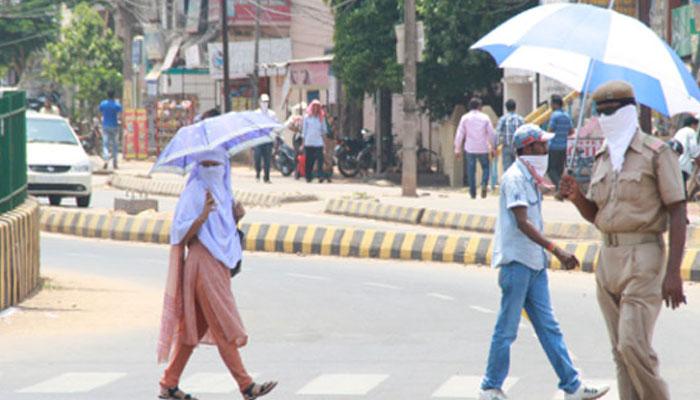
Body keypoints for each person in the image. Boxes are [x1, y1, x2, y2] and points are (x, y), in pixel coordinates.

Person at [560, 81, 687, 400]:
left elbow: (677, 211)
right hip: (608, 258)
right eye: (600, 112)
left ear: (629, 110)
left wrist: (674, 272)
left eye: (612, 111)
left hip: (644, 257)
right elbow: (597, 213)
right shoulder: (603, 157)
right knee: (620, 352)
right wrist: (576, 197)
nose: (606, 117)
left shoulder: (657, 153)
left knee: (633, 344)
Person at [479, 123, 608, 400]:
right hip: (517, 263)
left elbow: (549, 194)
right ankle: (490, 386)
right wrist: (556, 250)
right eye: (541, 145)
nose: (546, 149)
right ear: (528, 148)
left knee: (549, 326)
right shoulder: (515, 178)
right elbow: (522, 222)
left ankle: (572, 385)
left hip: (534, 264)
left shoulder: (531, 176)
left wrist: (569, 190)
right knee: (507, 328)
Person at [157, 147, 277, 400]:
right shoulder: (194, 192)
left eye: (217, 165)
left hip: (219, 264)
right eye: (207, 165)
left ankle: (168, 384)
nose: (212, 170)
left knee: (195, 328)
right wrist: (201, 216)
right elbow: (179, 234)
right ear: (199, 166)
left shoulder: (224, 192)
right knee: (223, 326)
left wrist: (235, 216)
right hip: (202, 263)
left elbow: (223, 232)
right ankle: (246, 385)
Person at [454, 97, 497, 199]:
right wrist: (494, 146)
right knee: (486, 168)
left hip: (470, 148)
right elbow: (491, 133)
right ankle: (484, 185)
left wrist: (457, 149)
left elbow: (460, 133)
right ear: (479, 107)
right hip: (483, 148)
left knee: (471, 170)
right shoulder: (485, 117)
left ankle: (473, 193)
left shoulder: (465, 118)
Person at [546, 94, 574, 190]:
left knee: (550, 170)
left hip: (554, 146)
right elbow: (571, 131)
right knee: (559, 170)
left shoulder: (555, 116)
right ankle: (560, 189)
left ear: (554, 104)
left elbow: (550, 130)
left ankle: (560, 188)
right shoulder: (567, 116)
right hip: (564, 146)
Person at [495, 98, 525, 179]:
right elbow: (524, 133)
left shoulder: (503, 119)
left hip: (507, 146)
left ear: (506, 108)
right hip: (518, 148)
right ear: (515, 107)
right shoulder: (520, 119)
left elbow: (497, 133)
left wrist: (496, 146)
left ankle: (509, 187)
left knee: (507, 169)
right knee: (519, 169)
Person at [302, 99, 329, 183]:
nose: (315, 108)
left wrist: (325, 144)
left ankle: (320, 175)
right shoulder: (307, 117)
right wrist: (303, 143)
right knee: (309, 161)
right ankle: (308, 176)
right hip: (309, 142)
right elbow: (304, 131)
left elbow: (324, 131)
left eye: (317, 107)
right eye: (314, 106)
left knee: (320, 160)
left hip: (318, 142)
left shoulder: (321, 118)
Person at [673, 115, 700, 193]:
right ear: (692, 125)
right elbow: (694, 151)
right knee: (682, 190)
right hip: (683, 164)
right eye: (696, 126)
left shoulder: (680, 131)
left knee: (678, 189)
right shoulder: (690, 131)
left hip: (675, 163)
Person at [253, 94, 276, 183]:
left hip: (268, 139)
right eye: (263, 102)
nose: (265, 104)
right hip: (258, 140)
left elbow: (275, 125)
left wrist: (275, 136)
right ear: (259, 102)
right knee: (257, 158)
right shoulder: (256, 113)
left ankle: (267, 177)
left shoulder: (272, 114)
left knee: (267, 159)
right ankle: (258, 174)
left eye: (266, 102)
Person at [99, 90, 123, 170]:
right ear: (114, 95)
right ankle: (115, 163)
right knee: (115, 145)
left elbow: (100, 112)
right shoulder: (117, 105)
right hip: (115, 126)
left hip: (105, 126)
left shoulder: (103, 104)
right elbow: (120, 114)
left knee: (105, 145)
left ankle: (106, 159)